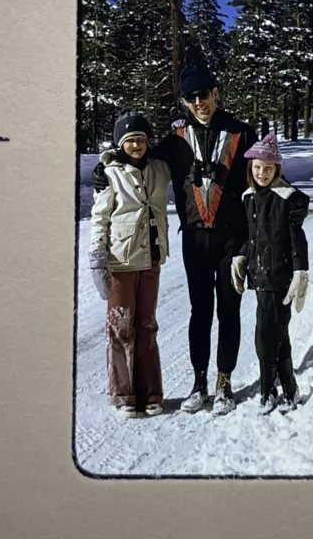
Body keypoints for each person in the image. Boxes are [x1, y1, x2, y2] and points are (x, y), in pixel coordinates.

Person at [92, 62, 258, 416]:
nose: (199, 102)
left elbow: (262, 180)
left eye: (204, 94)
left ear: (216, 93)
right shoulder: (175, 140)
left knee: (229, 311)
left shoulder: (242, 133)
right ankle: (199, 384)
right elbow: (136, 153)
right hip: (195, 241)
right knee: (200, 312)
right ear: (184, 102)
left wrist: (253, 243)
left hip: (233, 240)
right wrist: (105, 163)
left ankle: (224, 384)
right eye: (191, 97)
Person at [89, 112, 171, 418]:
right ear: (119, 143)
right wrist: (97, 258)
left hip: (151, 258)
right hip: (119, 260)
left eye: (141, 139)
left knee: (147, 326)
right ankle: (124, 394)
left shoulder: (160, 169)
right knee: (121, 327)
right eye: (129, 140)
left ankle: (152, 393)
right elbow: (99, 218)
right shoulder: (108, 174)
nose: (136, 145)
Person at [230, 132, 310, 415]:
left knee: (265, 335)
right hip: (260, 277)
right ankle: (290, 389)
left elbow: (297, 238)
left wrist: (301, 271)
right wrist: (241, 255)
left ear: (277, 169)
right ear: (250, 169)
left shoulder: (288, 199)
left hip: (281, 277)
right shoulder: (249, 198)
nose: (262, 173)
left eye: (268, 168)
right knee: (278, 334)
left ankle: (268, 391)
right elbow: (250, 235)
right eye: (257, 168)